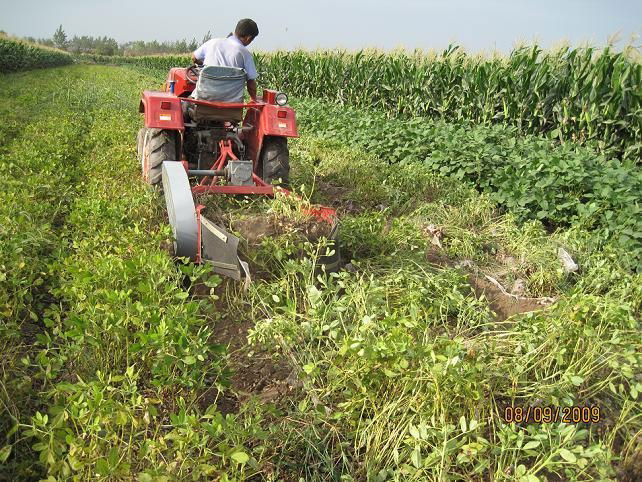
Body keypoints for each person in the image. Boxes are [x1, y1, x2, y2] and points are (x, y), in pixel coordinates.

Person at [191, 19, 259, 101]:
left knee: (184, 104)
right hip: (231, 102)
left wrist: (201, 64)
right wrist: (254, 99)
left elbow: (194, 57)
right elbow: (251, 82)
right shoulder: (245, 53)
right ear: (249, 38)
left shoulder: (213, 42)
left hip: (203, 98)